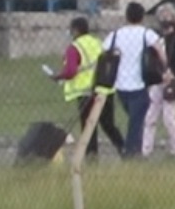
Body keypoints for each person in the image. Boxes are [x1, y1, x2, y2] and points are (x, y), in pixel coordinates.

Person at [48, 16, 126, 158]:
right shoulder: (97, 42)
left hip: (86, 91)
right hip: (104, 89)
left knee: (88, 126)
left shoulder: (74, 47)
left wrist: (57, 76)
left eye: (71, 30)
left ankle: (92, 156)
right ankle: (124, 149)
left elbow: (70, 71)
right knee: (108, 124)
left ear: (76, 30)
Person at [103, 2, 166, 158]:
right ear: (142, 17)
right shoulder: (146, 33)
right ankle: (131, 152)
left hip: (120, 84)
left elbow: (104, 51)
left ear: (126, 16)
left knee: (134, 118)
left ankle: (132, 149)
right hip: (138, 83)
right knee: (136, 121)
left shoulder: (116, 34)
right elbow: (160, 49)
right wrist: (164, 66)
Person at [142, 4, 175, 157]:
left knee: (169, 117)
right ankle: (146, 149)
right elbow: (151, 58)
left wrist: (172, 72)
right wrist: (157, 74)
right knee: (150, 116)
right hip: (158, 79)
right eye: (162, 15)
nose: (165, 19)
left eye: (168, 15)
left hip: (173, 79)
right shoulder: (156, 36)